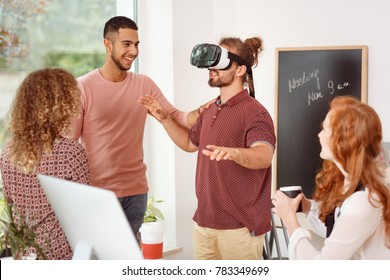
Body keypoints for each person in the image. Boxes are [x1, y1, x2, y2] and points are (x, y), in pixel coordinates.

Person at [140, 36, 276, 259]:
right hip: (204, 224)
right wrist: (165, 119)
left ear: (241, 69)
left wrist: (235, 153)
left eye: (220, 60)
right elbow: (189, 144)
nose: (212, 67)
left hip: (239, 229)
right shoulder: (211, 109)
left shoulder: (254, 113)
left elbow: (264, 155)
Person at [69, 16, 206, 238]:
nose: (133, 51)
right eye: (126, 44)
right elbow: (68, 147)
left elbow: (175, 116)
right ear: (107, 44)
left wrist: (200, 112)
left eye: (136, 44)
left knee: (128, 260)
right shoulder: (82, 87)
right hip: (97, 194)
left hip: (136, 192)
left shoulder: (143, 84)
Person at [272, 95, 390, 259]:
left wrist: (290, 220)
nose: (319, 135)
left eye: (325, 129)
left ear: (344, 140)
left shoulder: (363, 201)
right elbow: (339, 231)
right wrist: (307, 207)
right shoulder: (351, 184)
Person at [0, 68, 91, 260]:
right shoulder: (70, 152)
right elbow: (83, 217)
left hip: (25, 251)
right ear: (62, 105)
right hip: (62, 253)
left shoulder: (7, 152)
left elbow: (12, 206)